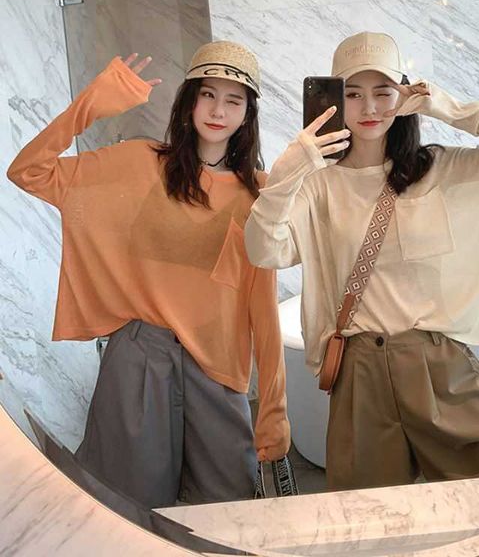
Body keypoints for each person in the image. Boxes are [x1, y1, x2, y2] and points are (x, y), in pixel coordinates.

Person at [244, 31, 479, 491]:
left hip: (436, 364)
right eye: (353, 93)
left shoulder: (441, 169)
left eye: (383, 91)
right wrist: (290, 170)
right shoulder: (317, 183)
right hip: (359, 370)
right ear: (335, 98)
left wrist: (445, 107)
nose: (369, 107)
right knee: (366, 511)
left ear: (405, 95)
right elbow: (263, 250)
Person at [7, 41, 290, 507]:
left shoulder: (259, 193)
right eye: (208, 94)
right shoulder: (141, 163)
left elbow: (263, 306)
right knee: (130, 506)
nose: (218, 110)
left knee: (228, 506)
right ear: (189, 102)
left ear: (247, 115)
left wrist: (274, 408)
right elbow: (29, 172)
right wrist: (90, 105)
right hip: (139, 359)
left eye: (233, 100)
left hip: (218, 369)